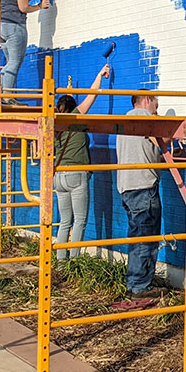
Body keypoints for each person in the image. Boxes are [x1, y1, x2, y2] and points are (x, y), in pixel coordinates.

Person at [53, 63, 111, 260]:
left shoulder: (53, 125)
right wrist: (100, 74)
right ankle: (74, 261)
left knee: (64, 222)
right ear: (72, 108)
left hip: (58, 175)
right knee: (80, 221)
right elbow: (92, 94)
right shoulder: (75, 117)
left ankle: (61, 262)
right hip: (76, 175)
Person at [115, 93, 167, 298]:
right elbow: (166, 137)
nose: (157, 108)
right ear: (147, 100)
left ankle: (135, 282)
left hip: (127, 187)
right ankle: (140, 286)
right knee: (146, 237)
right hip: (144, 185)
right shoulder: (147, 118)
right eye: (156, 104)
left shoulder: (124, 121)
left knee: (137, 236)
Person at [0, 0, 49, 102]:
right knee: (15, 62)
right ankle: (6, 98)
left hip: (1, 26)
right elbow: (23, 7)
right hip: (14, 26)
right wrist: (40, 6)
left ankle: (6, 96)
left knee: (10, 62)